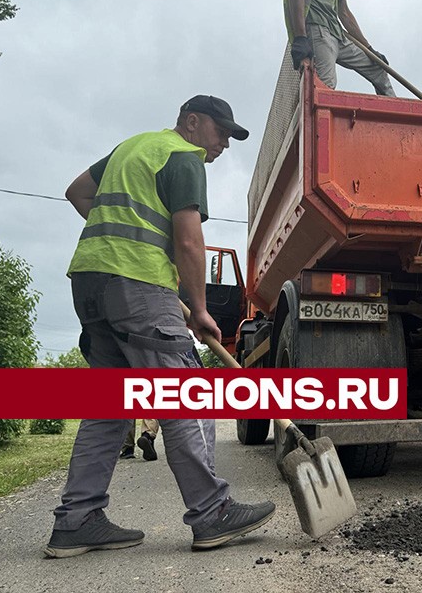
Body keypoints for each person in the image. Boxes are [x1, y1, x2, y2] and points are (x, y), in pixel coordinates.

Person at [45, 95, 276, 558]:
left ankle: (77, 520)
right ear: (192, 122)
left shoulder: (132, 148)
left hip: (90, 283)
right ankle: (212, 513)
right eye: (221, 131)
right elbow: (190, 242)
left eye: (231, 136)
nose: (225, 144)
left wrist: (123, 240)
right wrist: (200, 306)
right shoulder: (183, 157)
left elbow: (77, 193)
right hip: (137, 285)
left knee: (109, 406)